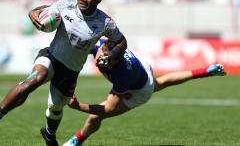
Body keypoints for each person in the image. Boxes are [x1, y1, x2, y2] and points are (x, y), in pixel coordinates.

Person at [0, 0, 127, 146]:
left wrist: (113, 55)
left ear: (99, 0)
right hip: (51, 56)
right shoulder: (65, 5)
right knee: (34, 80)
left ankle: (49, 133)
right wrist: (32, 12)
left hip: (71, 71)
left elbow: (122, 41)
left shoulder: (105, 22)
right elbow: (44, 9)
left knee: (55, 108)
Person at [63, 38, 226, 146]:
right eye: (100, 56)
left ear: (117, 60)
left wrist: (78, 106)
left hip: (139, 90)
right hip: (142, 68)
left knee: (95, 117)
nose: (100, 62)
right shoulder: (100, 45)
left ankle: (77, 139)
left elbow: (109, 109)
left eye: (107, 61)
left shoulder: (123, 74)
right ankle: (205, 71)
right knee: (163, 82)